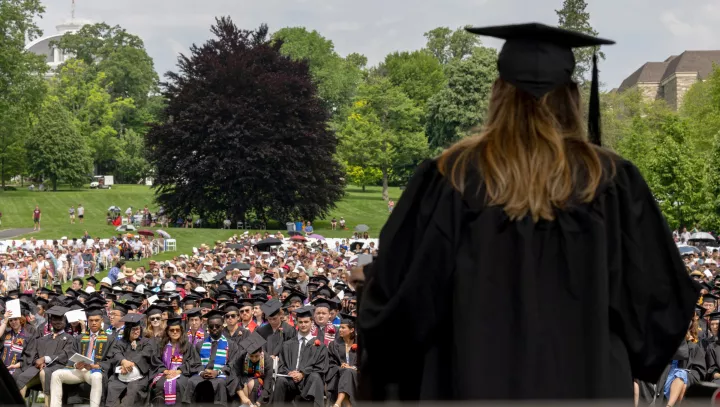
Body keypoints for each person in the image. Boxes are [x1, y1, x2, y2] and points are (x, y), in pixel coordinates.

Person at [357, 23, 698, 401]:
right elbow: (659, 303)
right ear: (572, 97)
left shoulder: (450, 177)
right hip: (588, 385)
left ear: (498, 93)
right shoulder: (612, 182)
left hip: (469, 385)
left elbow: (403, 303)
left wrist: (370, 281)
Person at [50, 306, 117, 407]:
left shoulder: (110, 339)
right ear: (87, 322)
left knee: (97, 376)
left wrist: (97, 365)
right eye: (91, 320)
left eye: (96, 320)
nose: (94, 323)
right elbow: (72, 354)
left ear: (102, 321)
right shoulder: (80, 338)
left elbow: (112, 359)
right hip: (80, 370)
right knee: (56, 374)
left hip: (94, 371)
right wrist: (76, 364)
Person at [272, 305, 328, 407]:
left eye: (306, 322)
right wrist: (290, 373)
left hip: (308, 381)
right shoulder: (287, 344)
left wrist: (302, 373)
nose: (303, 325)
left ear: (312, 322)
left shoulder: (319, 346)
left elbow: (321, 367)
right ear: (296, 322)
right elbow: (281, 365)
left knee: (316, 377)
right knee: (280, 380)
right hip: (290, 379)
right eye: (300, 322)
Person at [105, 313, 160, 407]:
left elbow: (144, 354)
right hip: (120, 376)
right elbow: (116, 353)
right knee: (112, 387)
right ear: (127, 330)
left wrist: (130, 364)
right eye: (133, 329)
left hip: (138, 378)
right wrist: (123, 361)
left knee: (132, 393)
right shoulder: (120, 342)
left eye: (138, 329)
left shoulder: (146, 342)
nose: (136, 331)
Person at [185, 310, 236, 406]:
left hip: (222, 375)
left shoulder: (231, 345)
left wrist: (218, 372)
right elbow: (195, 363)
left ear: (222, 326)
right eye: (211, 326)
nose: (214, 329)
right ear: (207, 327)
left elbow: (232, 364)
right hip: (203, 375)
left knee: (220, 383)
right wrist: (202, 372)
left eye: (217, 326)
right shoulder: (200, 345)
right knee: (191, 381)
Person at [150, 318, 201, 405]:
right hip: (164, 373)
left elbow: (193, 362)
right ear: (167, 332)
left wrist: (178, 371)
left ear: (181, 331)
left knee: (178, 384)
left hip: (182, 374)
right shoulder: (161, 345)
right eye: (172, 330)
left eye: (177, 330)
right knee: (159, 385)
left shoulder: (187, 346)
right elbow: (156, 361)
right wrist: (165, 371)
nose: (175, 332)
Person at [231, 332, 274, 407]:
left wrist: (258, 403)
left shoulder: (267, 360)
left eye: (257, 356)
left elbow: (267, 384)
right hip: (243, 382)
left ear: (261, 353)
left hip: (261, 384)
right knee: (244, 383)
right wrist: (243, 396)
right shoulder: (242, 356)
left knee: (252, 384)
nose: (254, 359)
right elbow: (234, 375)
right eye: (251, 356)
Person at [327, 314, 358, 407]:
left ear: (352, 330)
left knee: (348, 371)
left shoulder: (361, 344)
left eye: (343, 328)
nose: (340, 330)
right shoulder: (334, 345)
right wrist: (341, 368)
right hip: (338, 375)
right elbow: (331, 363)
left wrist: (352, 367)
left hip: (357, 377)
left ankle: (337, 403)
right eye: (340, 327)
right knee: (346, 372)